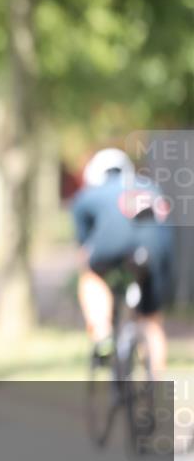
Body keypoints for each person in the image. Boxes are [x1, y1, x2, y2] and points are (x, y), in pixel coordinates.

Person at [72, 148, 175, 374]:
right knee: (151, 319)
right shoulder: (150, 187)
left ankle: (102, 335)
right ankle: (156, 383)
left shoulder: (89, 195)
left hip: (112, 246)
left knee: (90, 274)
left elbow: (84, 244)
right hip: (155, 249)